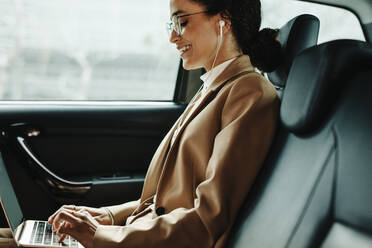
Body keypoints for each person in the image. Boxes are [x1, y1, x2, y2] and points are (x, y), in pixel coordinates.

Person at [0, 0, 281, 247]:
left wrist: (99, 237)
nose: (173, 36)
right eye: (171, 24)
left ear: (224, 20)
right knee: (11, 238)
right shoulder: (212, 89)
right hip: (150, 237)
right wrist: (105, 217)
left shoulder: (249, 94)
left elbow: (206, 221)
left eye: (182, 22)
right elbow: (165, 203)